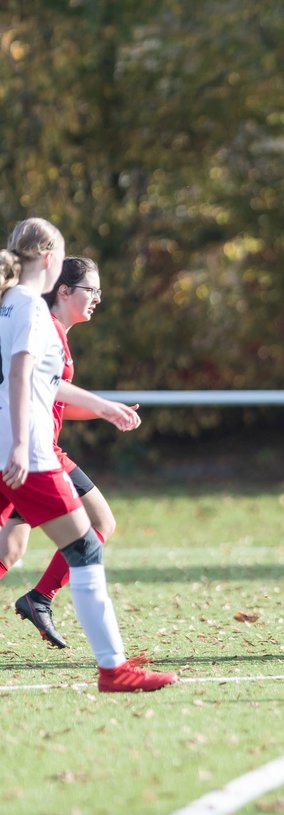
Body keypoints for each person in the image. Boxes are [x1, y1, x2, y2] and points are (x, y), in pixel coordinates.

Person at [0, 218, 174, 691]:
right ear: (53, 261)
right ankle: (113, 669)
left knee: (12, 550)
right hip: (29, 454)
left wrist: (101, 408)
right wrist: (19, 443)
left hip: (12, 448)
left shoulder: (10, 304)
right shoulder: (34, 313)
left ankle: (91, 646)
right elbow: (22, 376)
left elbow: (41, 385)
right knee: (86, 546)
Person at [3, 257, 132, 649]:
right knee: (101, 524)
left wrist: (104, 411)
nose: (97, 298)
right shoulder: (45, 329)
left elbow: (52, 398)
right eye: (90, 290)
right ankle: (40, 599)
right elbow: (35, 384)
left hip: (29, 448)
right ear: (63, 290)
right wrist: (104, 407)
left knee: (11, 546)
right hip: (37, 453)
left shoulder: (51, 329)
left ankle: (39, 599)